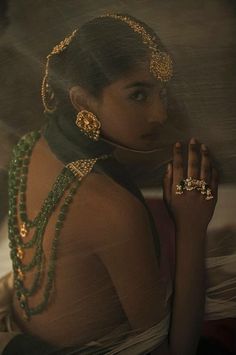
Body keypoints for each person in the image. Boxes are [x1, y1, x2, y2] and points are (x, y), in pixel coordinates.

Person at [0, 13, 223, 355]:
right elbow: (173, 349)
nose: (160, 115)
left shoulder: (30, 147)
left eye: (161, 93)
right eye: (138, 95)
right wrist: (192, 227)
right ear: (82, 101)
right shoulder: (115, 211)